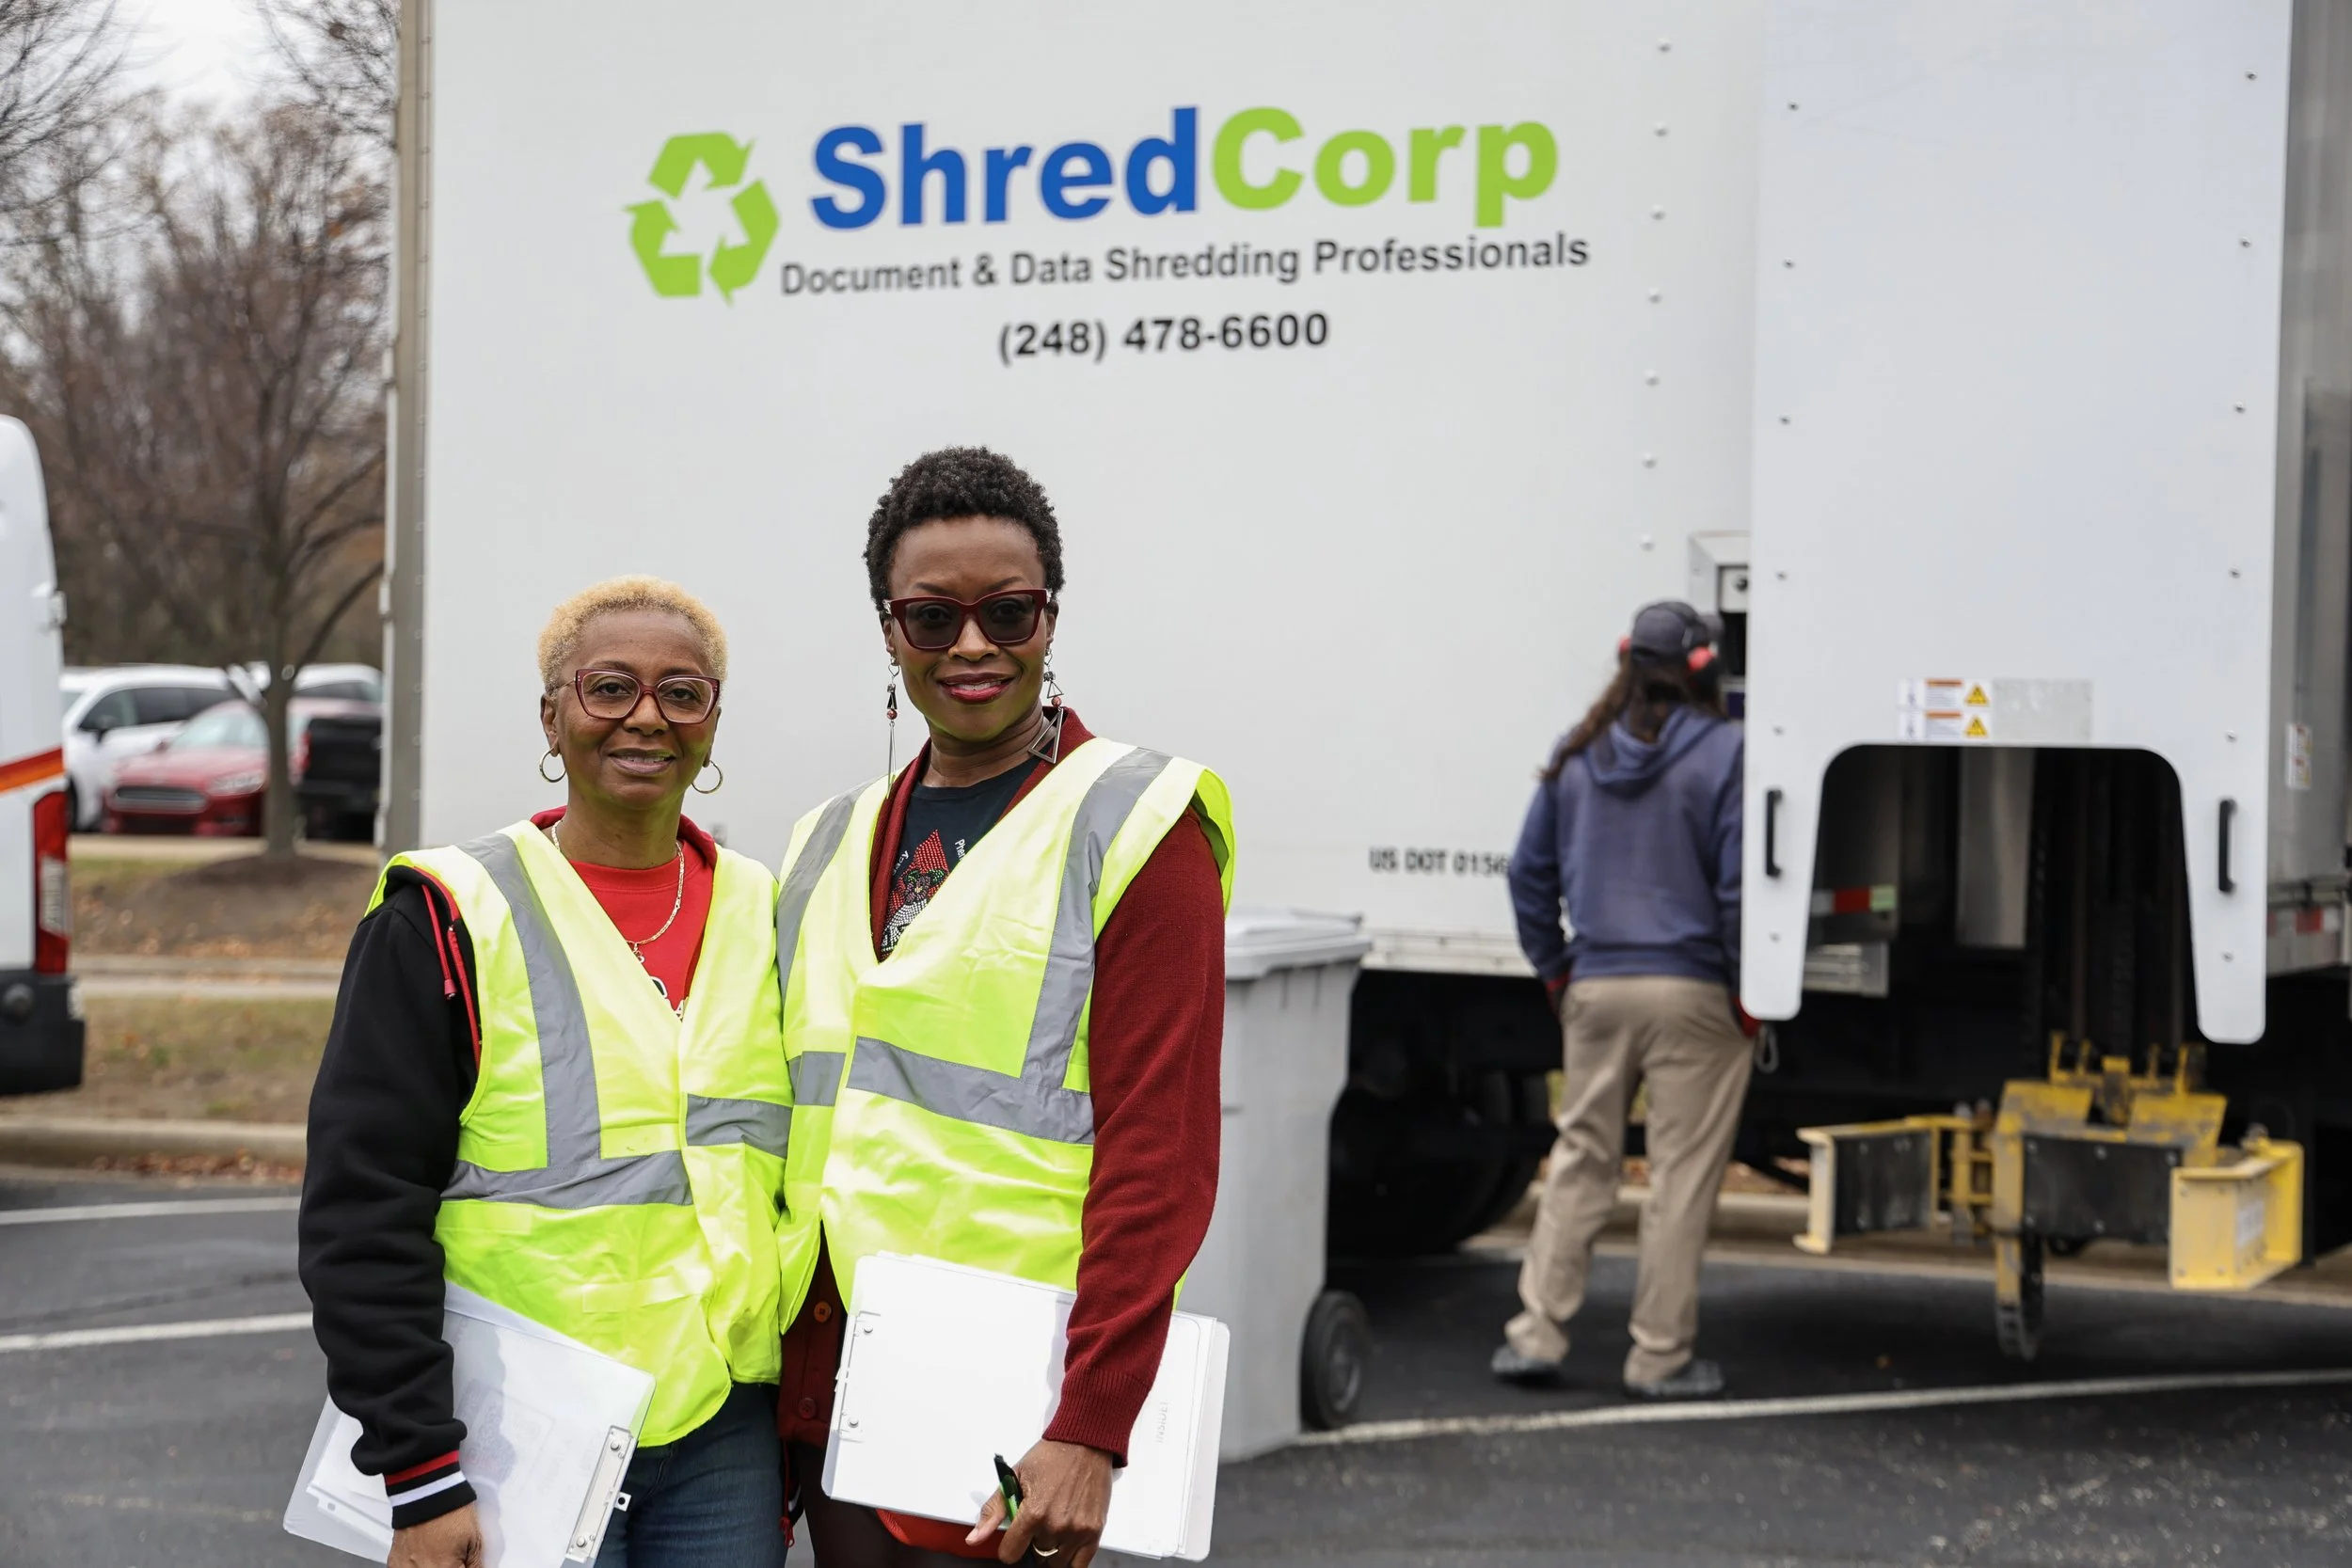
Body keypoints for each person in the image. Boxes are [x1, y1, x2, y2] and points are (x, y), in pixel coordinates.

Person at [771, 448, 1232, 1568]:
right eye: (932, 618)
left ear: (1050, 619)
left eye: (1007, 612)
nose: (971, 646)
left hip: (1005, 1390)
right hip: (831, 1386)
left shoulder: (1137, 822)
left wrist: (1091, 1421)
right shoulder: (827, 837)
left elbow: (1156, 1150)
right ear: (889, 630)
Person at [299, 577, 800, 1568]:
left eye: (682, 692)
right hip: (517, 1430)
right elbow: (362, 1205)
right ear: (553, 713)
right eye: (609, 687)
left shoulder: (766, 911)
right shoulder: (446, 912)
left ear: (711, 724)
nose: (646, 717)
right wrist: (418, 1468)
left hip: (720, 1435)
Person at [1492, 599, 1750, 1400]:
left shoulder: (1577, 754)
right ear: (1705, 669)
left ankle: (1536, 1334)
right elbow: (1741, 887)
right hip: (1693, 993)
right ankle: (1658, 1355)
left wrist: (1559, 969)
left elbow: (1527, 873)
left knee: (1580, 1161)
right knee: (1678, 1176)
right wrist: (1749, 988)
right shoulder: (1728, 753)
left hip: (1597, 985)